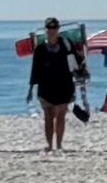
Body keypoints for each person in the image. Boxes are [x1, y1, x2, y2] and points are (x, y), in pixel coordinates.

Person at [28, 15, 84, 154]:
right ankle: (49, 145)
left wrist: (80, 68)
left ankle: (59, 144)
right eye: (49, 28)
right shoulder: (40, 49)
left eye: (54, 27)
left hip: (64, 85)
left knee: (60, 114)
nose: (51, 30)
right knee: (48, 116)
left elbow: (76, 62)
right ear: (45, 29)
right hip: (45, 87)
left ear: (58, 29)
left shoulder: (66, 44)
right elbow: (35, 69)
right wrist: (30, 89)